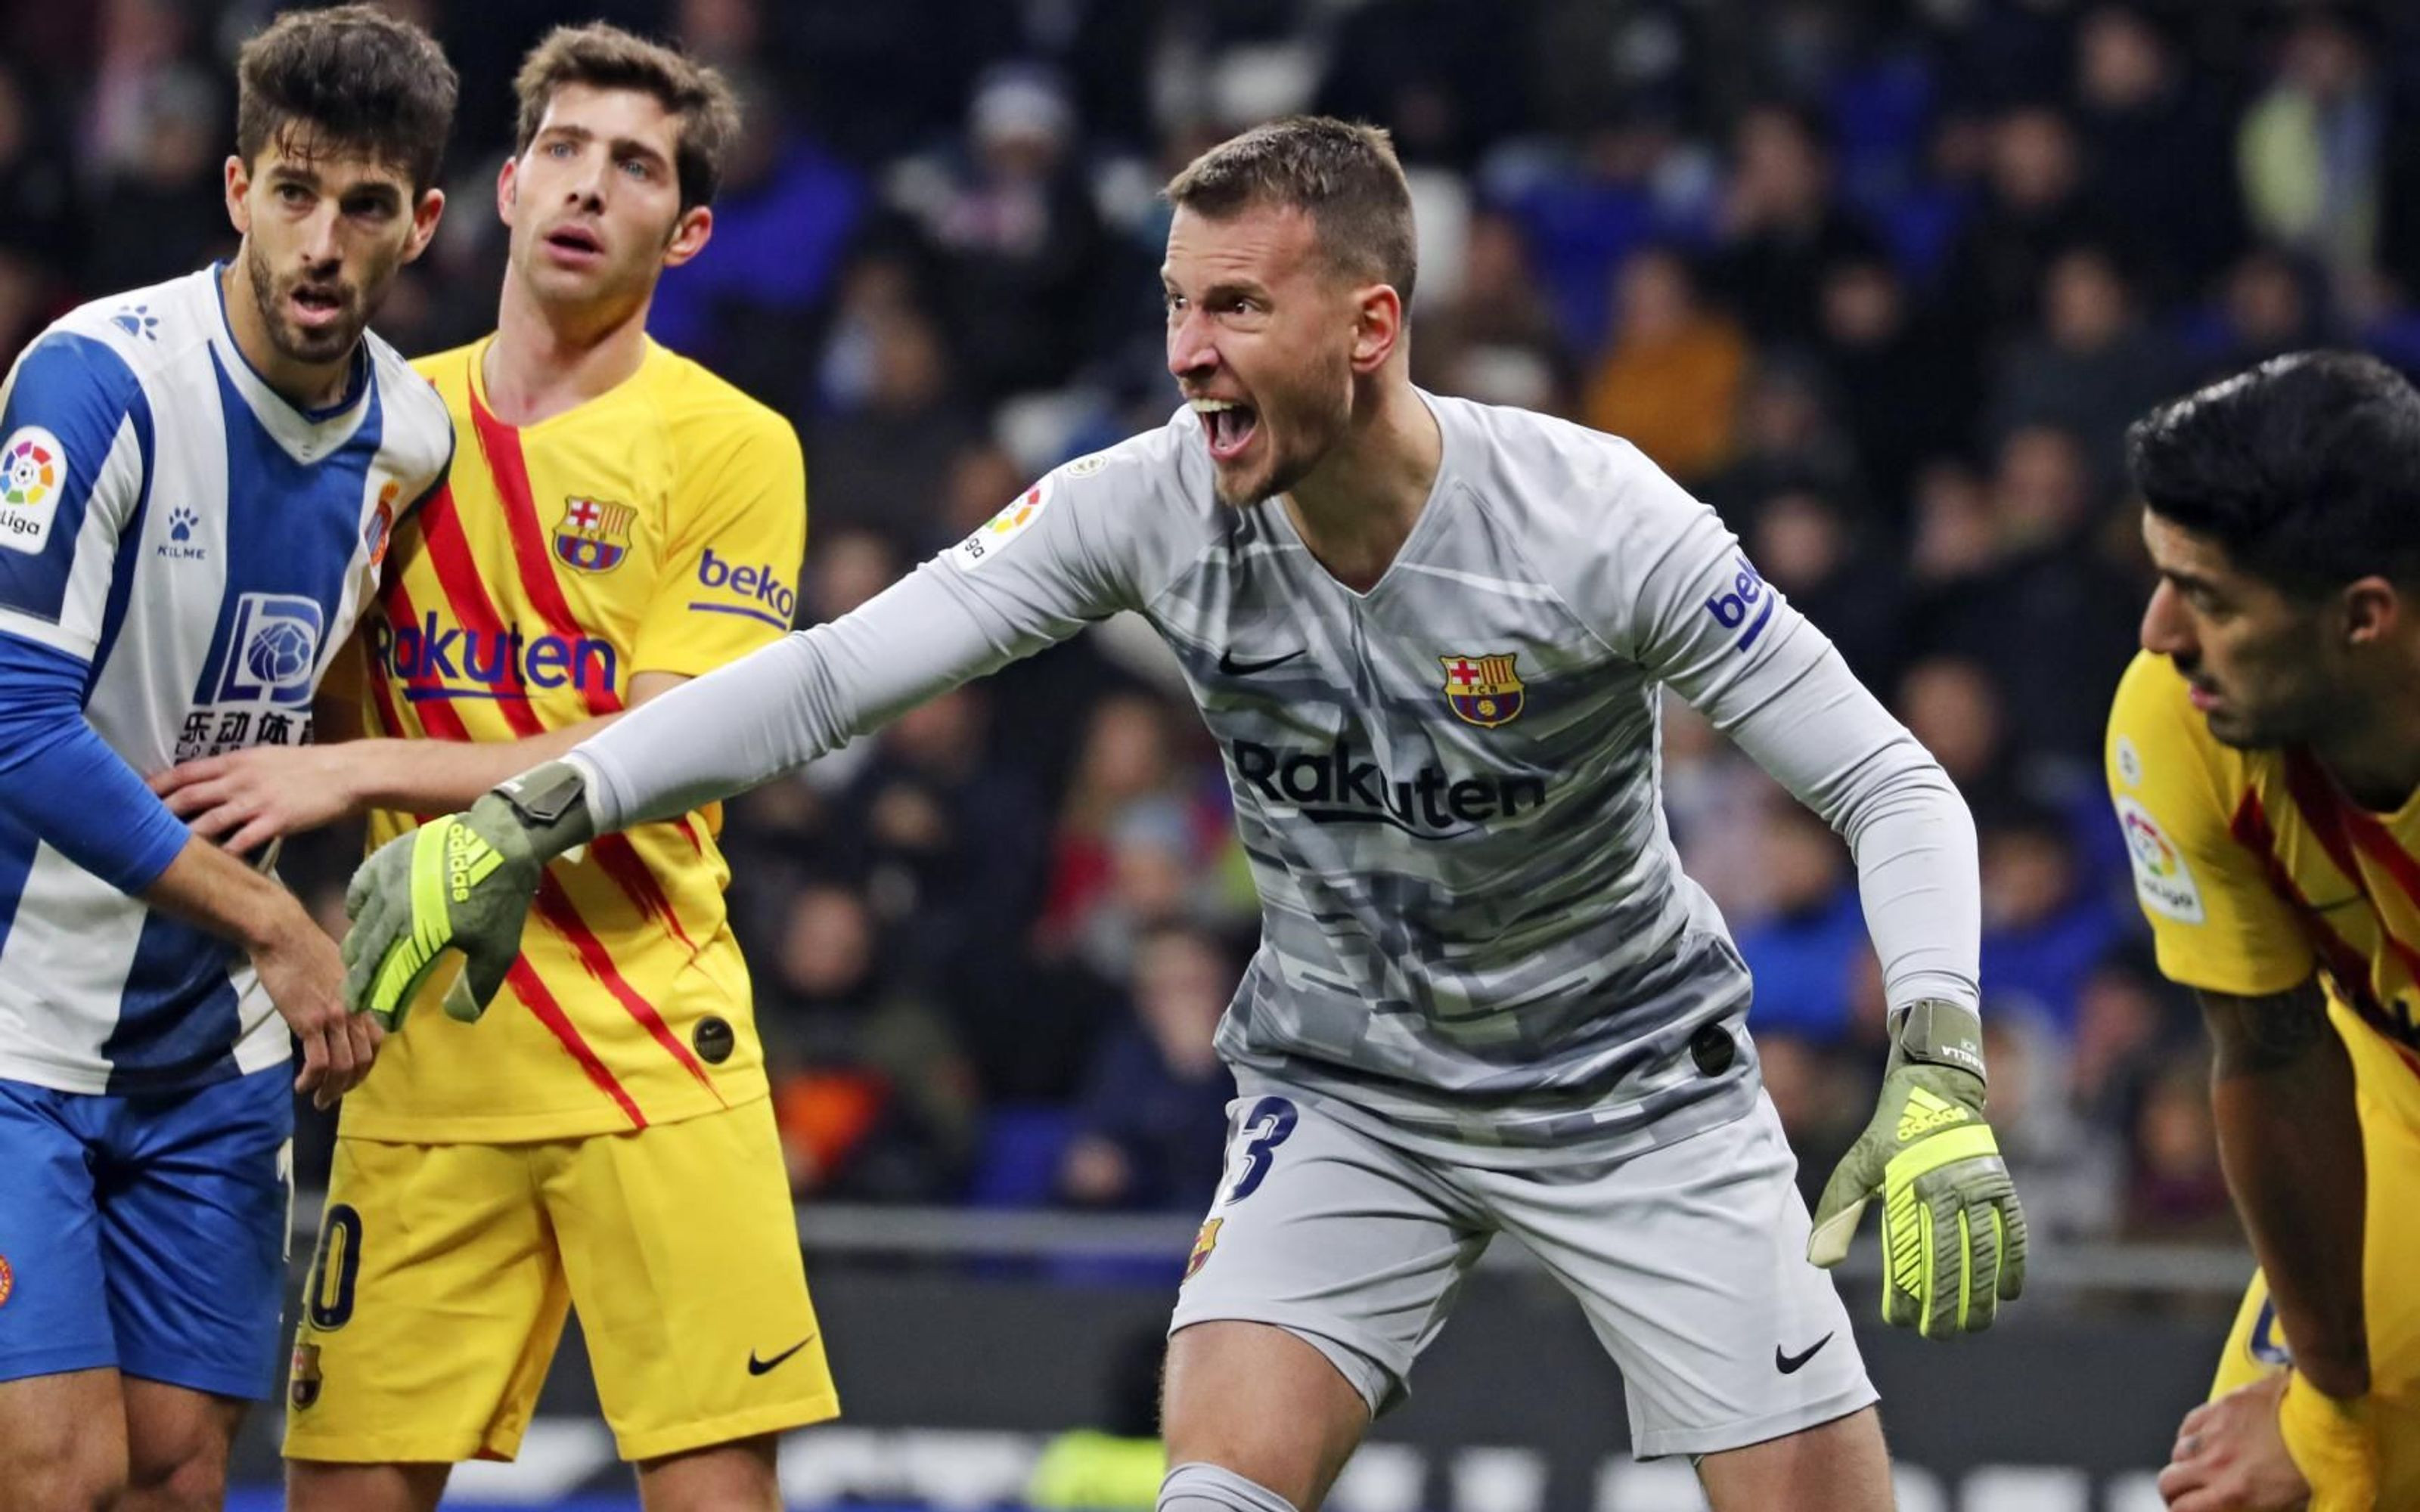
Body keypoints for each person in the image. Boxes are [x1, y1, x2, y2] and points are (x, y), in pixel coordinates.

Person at [345, 117, 2027, 1512]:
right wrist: (540, 805)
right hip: (1350, 1085)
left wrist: (1941, 1059)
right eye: (1173, 305)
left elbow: (1890, 781)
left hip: (1630, 1090)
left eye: (1232, 309)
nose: (1185, 358)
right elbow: (828, 679)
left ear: (1369, 328)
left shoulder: (1591, 522)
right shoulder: (1143, 500)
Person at [154, 25, 827, 1512]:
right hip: (424, 1054)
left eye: (636, 166)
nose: (592, 187)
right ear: (507, 189)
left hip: (656, 1042)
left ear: (689, 226)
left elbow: (666, 744)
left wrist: (353, 775)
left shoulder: (733, 444)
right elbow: (280, 694)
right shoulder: (383, 428)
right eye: (567, 153)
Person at [0, 7, 455, 1508]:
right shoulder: (95, 379)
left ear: (423, 223)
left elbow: (326, 700)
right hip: (19, 1028)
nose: (326, 241)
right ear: (237, 188)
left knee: (179, 1472)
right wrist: (278, 921)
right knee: (52, 1470)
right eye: (296, 192)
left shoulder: (410, 437)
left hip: (209, 1053)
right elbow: (14, 723)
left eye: (367, 203)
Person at [2106, 351, 2420, 1510]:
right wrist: (2330, 1409)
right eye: (2164, 576)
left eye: (2213, 598)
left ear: (2364, 619)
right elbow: (2275, 1054)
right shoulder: (2179, 727)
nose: (2158, 634)